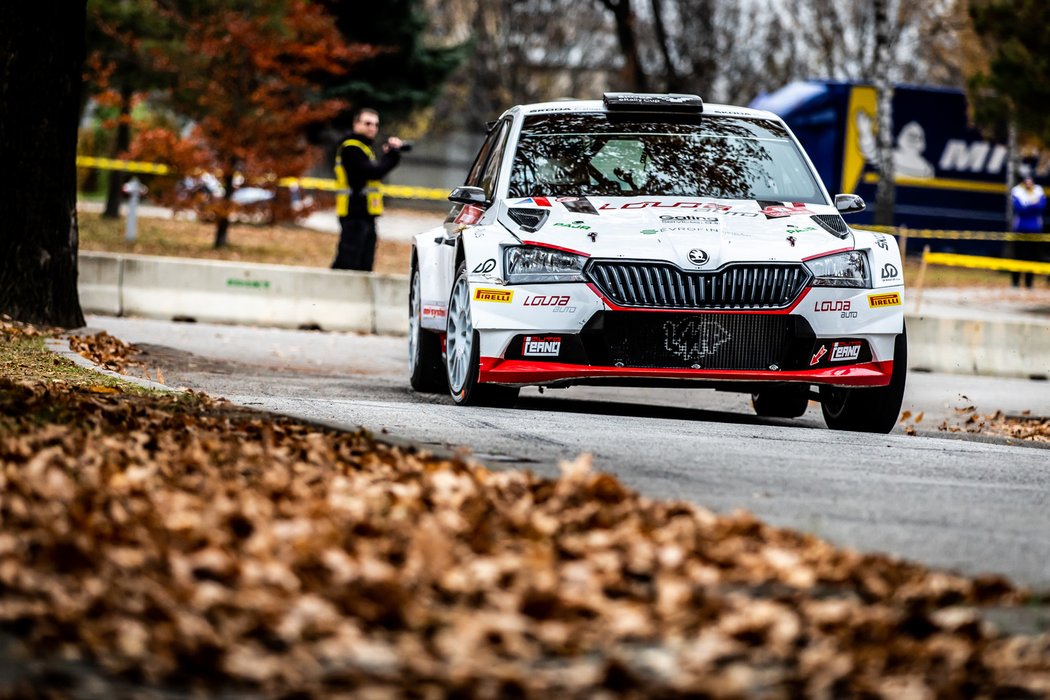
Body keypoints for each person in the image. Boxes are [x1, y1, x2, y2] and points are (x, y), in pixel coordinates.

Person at [331, 108, 403, 271]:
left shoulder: (362, 148)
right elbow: (373, 173)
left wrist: (389, 157)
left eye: (375, 125)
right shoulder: (351, 148)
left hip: (365, 213)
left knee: (364, 261)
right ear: (356, 124)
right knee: (348, 261)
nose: (372, 128)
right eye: (367, 123)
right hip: (354, 212)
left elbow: (373, 173)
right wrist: (393, 157)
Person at [1008, 173, 1046, 288]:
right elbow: (1019, 209)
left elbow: (1041, 207)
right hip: (1020, 229)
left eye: (1031, 181)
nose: (1029, 183)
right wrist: (1032, 204)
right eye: (1026, 181)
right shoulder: (1017, 191)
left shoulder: (1039, 190)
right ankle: (1015, 283)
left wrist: (1027, 206)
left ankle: (1029, 284)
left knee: (1032, 257)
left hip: (1035, 230)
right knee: (1018, 256)